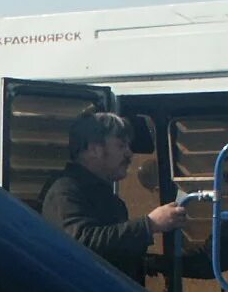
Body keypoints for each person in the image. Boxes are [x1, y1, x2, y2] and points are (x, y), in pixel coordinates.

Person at [39, 112, 189, 282]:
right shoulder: (64, 191)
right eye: (121, 146)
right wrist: (149, 225)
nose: (129, 154)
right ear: (94, 149)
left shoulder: (105, 197)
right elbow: (80, 244)